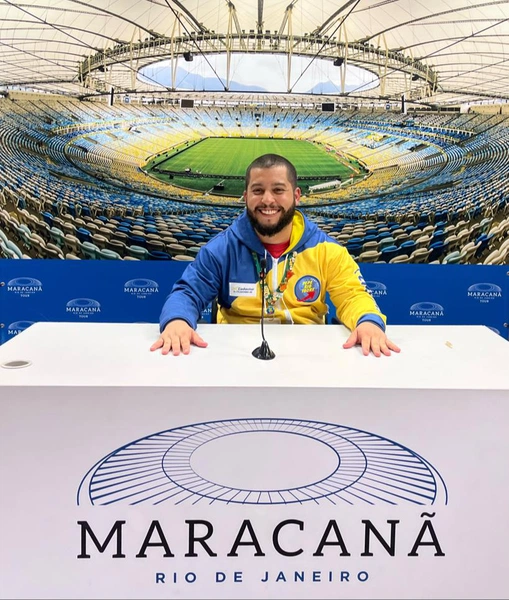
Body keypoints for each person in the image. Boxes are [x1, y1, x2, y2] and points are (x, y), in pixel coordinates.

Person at [151, 154, 400, 357]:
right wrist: (177, 322)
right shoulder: (221, 249)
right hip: (235, 356)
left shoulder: (327, 250)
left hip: (309, 357)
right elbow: (187, 293)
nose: (268, 200)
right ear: (245, 196)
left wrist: (367, 322)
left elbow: (352, 295)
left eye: (278, 190)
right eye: (258, 190)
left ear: (297, 195)